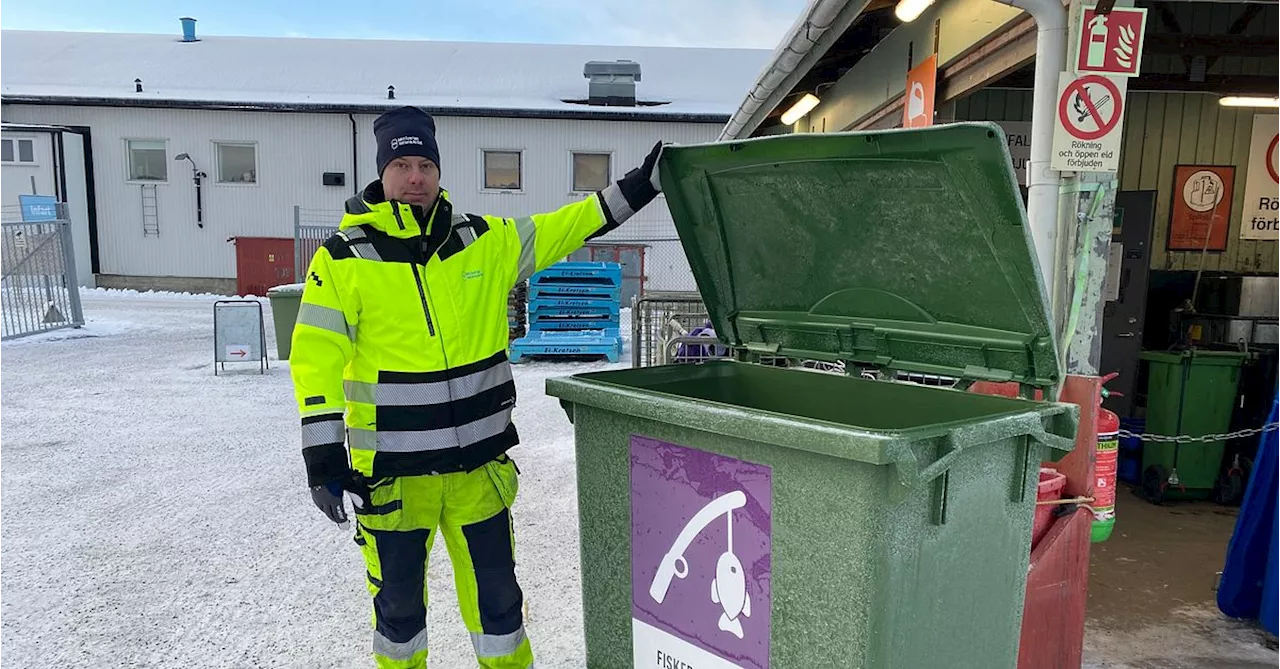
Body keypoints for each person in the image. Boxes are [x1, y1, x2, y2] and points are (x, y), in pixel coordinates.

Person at [287, 105, 664, 669]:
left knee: (500, 613)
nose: (415, 177)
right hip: (393, 477)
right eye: (402, 164)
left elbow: (572, 224)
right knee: (399, 619)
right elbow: (314, 356)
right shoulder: (344, 258)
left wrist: (640, 187)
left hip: (478, 472)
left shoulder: (484, 242)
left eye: (424, 164)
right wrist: (322, 455)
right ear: (381, 173)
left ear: (438, 171)